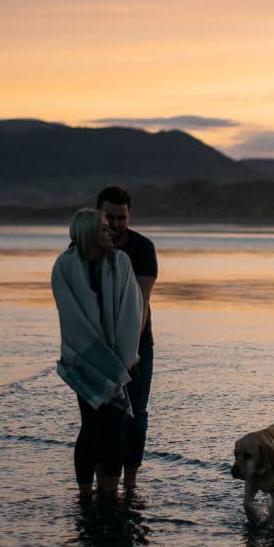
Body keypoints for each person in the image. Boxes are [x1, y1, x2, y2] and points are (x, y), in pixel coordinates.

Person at [52, 208, 144, 498]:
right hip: (84, 358)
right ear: (88, 232)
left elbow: (131, 309)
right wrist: (93, 353)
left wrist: (126, 358)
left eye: (110, 227)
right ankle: (84, 494)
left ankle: (110, 492)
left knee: (116, 425)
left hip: (118, 357)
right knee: (91, 425)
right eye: (104, 228)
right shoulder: (64, 266)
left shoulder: (121, 261)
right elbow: (70, 316)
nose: (111, 232)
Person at [96, 185, 158, 490]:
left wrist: (131, 351)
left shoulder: (142, 248)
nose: (118, 224)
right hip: (97, 346)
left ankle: (131, 486)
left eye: (122, 217)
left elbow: (142, 302)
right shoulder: (86, 246)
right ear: (99, 215)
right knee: (101, 416)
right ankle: (103, 484)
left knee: (136, 416)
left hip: (138, 344)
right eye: (111, 217)